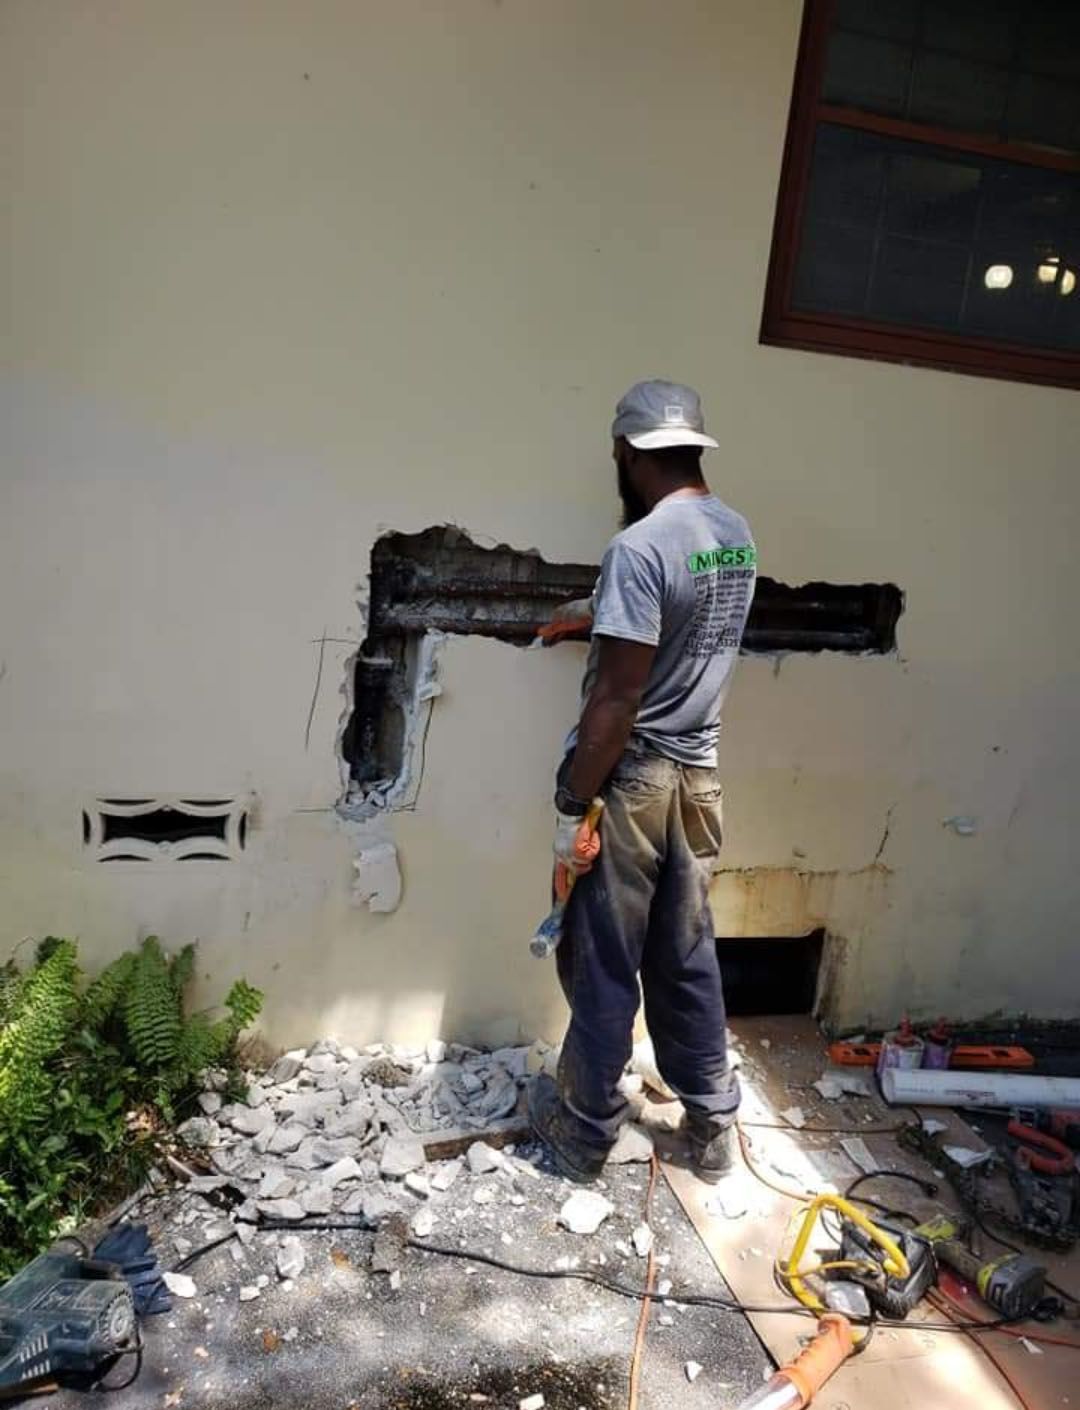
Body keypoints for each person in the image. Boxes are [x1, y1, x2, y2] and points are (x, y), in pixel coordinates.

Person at [529, 379, 757, 1184]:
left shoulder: (638, 546)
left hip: (631, 784)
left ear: (629, 455)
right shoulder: (734, 534)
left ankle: (585, 1130)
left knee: (600, 956)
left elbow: (618, 700)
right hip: (698, 779)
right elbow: (687, 617)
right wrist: (599, 613)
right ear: (695, 447)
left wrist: (570, 798)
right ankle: (712, 1124)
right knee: (685, 954)